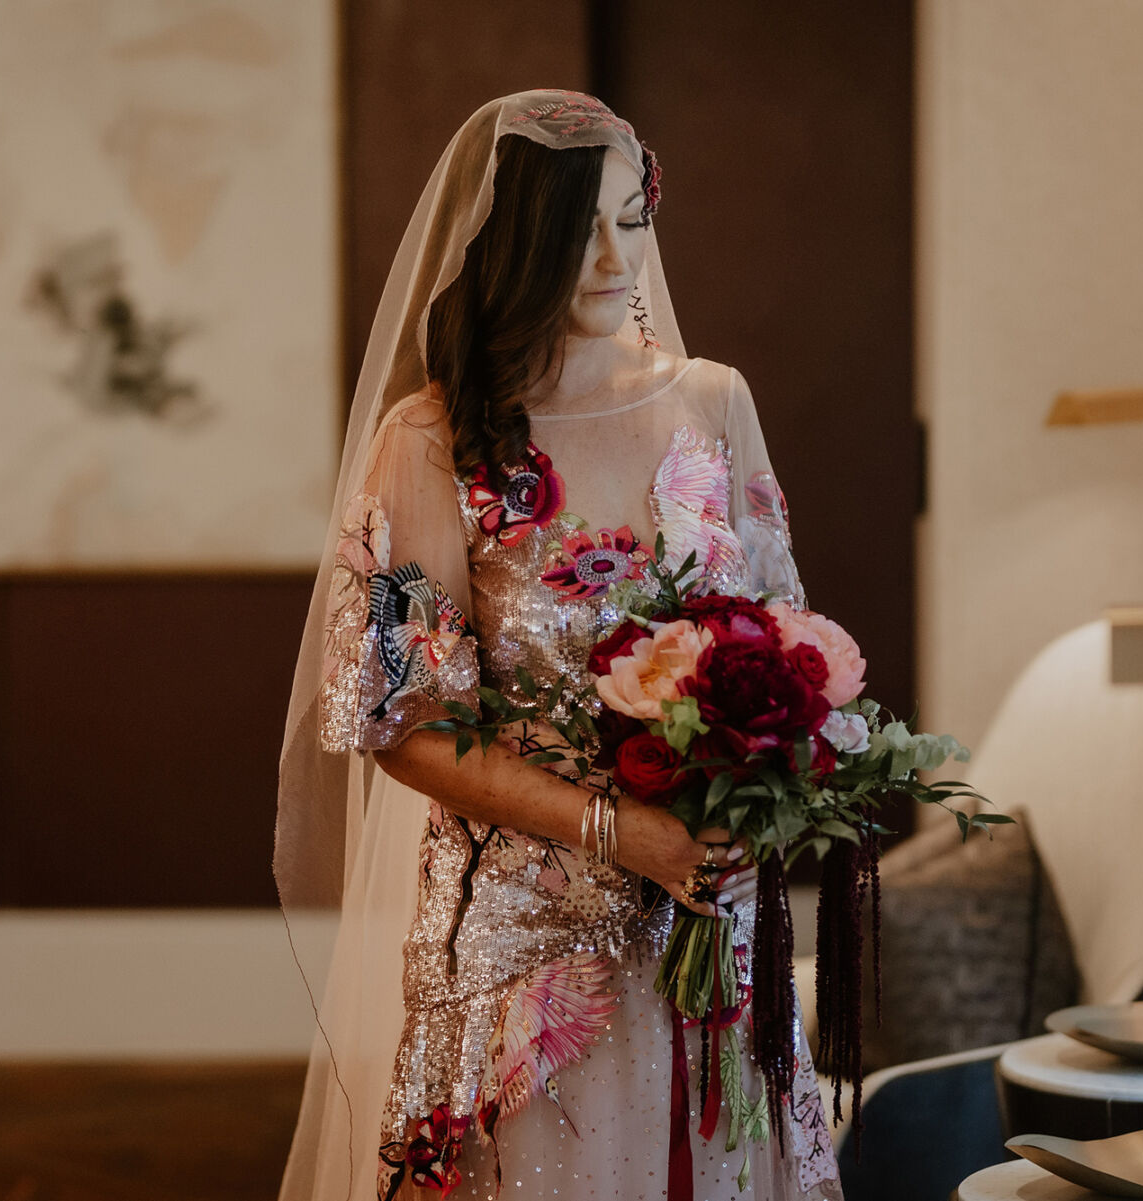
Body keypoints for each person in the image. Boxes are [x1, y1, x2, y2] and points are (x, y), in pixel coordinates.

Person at [275, 90, 841, 1201]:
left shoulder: (715, 406)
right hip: (526, 943)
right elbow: (403, 726)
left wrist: (754, 791)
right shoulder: (433, 442)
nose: (610, 257)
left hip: (708, 918)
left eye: (630, 220)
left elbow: (790, 644)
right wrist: (618, 831)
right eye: (573, 229)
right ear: (507, 245)